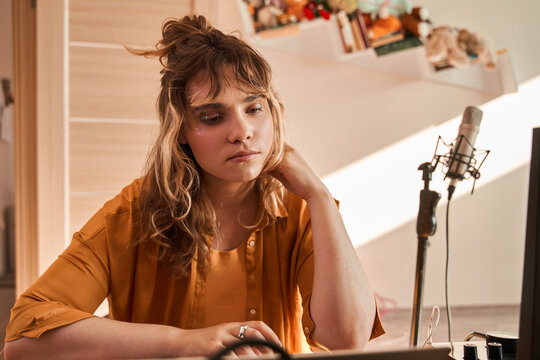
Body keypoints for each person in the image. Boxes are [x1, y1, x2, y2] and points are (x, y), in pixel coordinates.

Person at [3, 15, 383, 359]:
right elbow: (21, 342)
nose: (242, 132)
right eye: (213, 117)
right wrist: (185, 342)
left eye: (254, 108)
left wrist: (318, 195)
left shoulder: (302, 209)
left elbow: (348, 339)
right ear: (182, 131)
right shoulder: (132, 213)